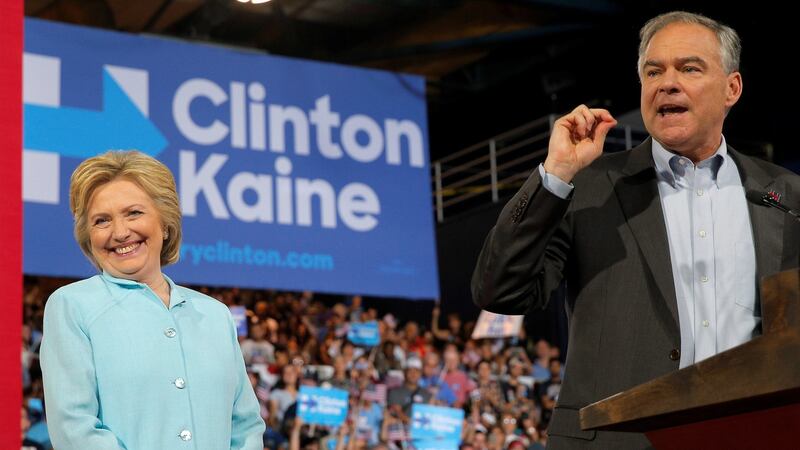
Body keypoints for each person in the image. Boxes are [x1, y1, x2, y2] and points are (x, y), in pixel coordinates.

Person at [472, 11, 800, 449]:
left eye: (689, 68)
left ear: (731, 88)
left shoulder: (785, 196)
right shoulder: (589, 186)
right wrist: (555, 175)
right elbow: (500, 290)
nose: (666, 82)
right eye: (653, 71)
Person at [40, 150, 265, 449]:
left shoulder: (215, 315)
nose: (120, 232)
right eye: (102, 221)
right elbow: (75, 429)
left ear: (165, 221)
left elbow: (246, 426)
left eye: (133, 213)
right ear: (87, 235)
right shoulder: (71, 306)